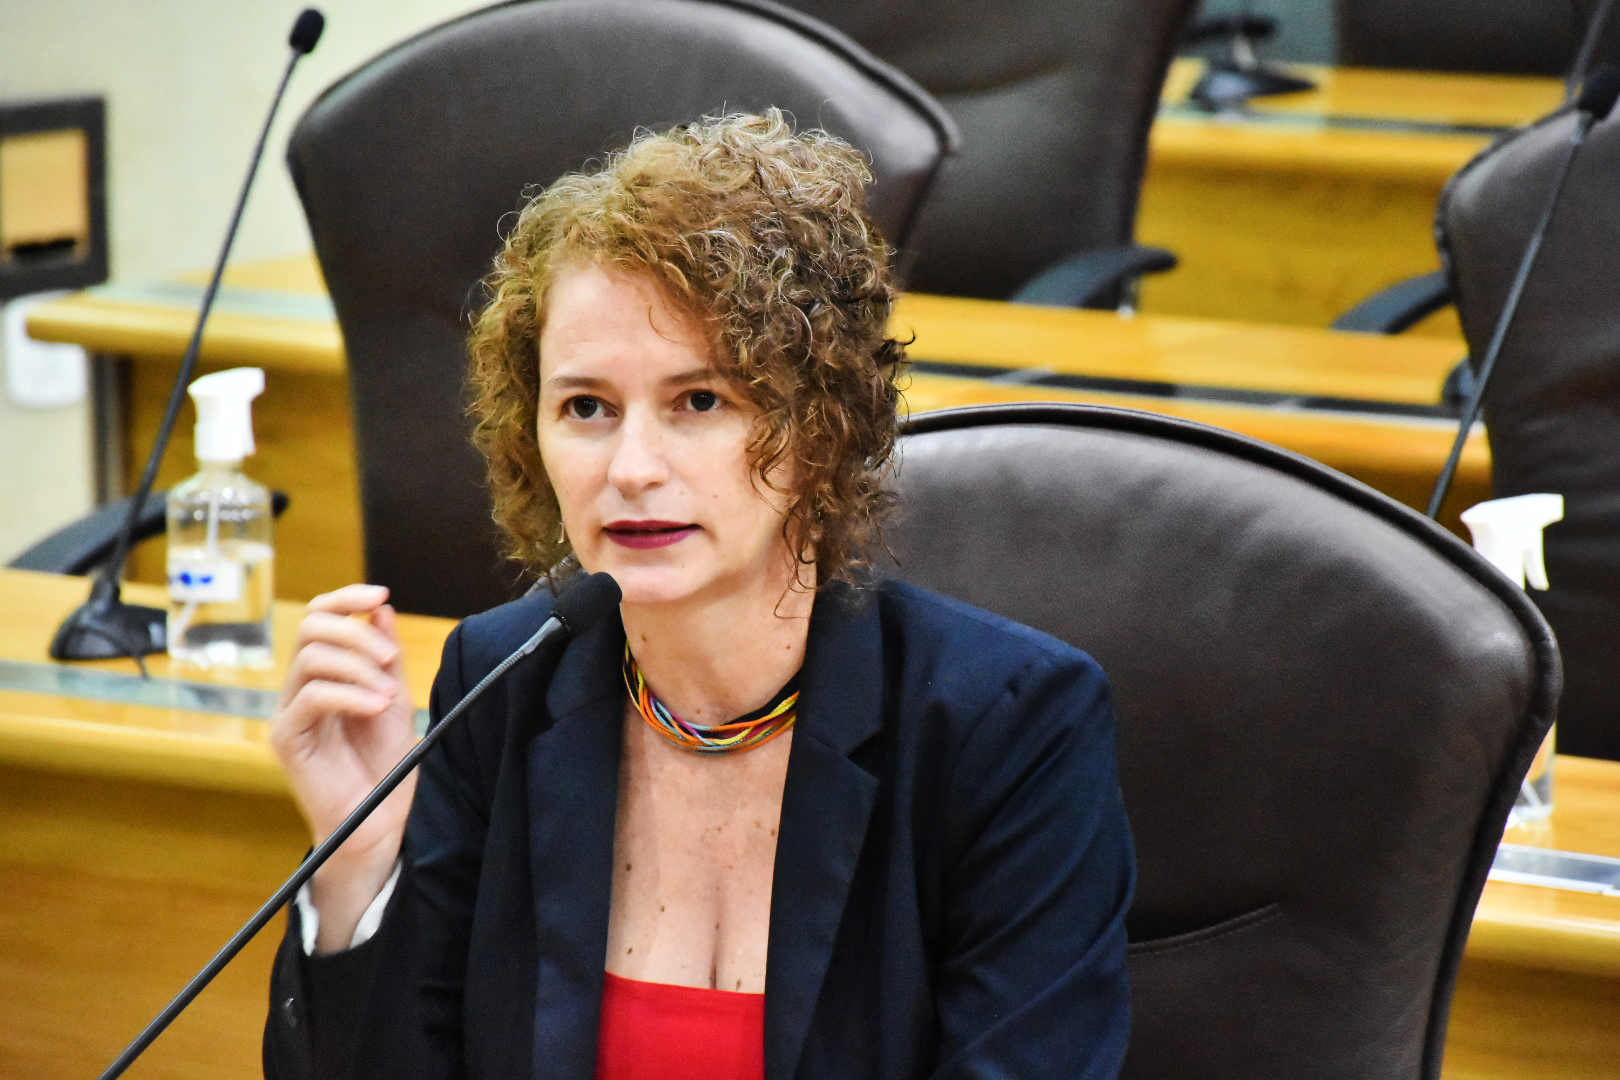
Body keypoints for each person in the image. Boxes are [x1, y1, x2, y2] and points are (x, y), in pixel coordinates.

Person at [263, 110, 1134, 1080]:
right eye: (586, 407)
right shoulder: (498, 687)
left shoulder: (1008, 731)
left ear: (818, 427)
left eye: (700, 401)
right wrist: (358, 869)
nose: (631, 467)